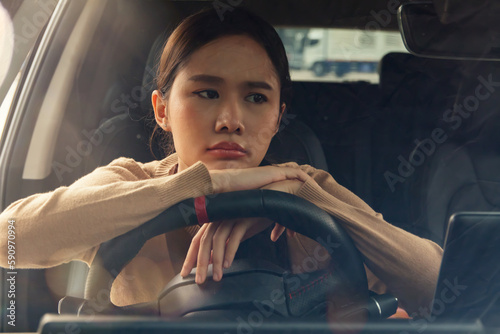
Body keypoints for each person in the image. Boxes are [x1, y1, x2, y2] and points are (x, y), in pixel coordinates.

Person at [0, 7, 442, 316]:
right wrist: (200, 186)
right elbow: (10, 237)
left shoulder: (306, 186)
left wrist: (304, 202)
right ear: (162, 110)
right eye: (206, 93)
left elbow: (441, 285)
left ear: (277, 116)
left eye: (255, 97)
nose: (231, 120)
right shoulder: (130, 182)